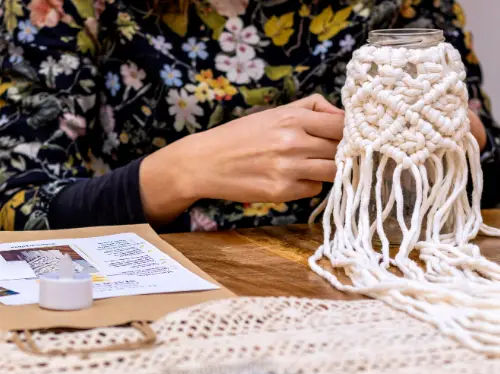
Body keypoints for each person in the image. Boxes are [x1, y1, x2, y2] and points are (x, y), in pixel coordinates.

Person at [0, 0, 498, 231]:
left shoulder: (406, 8)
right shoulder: (64, 7)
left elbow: (486, 184)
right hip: (159, 302)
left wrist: (461, 152)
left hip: (377, 284)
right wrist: (180, 172)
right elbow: (16, 205)